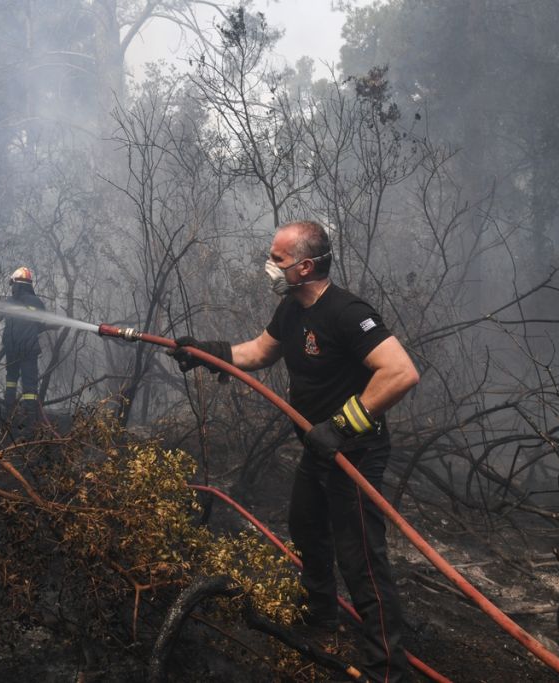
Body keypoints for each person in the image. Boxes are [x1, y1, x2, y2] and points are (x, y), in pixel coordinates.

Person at [171, 220, 419, 682]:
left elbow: (401, 372)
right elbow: (260, 352)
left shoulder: (348, 313)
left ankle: (387, 668)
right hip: (319, 448)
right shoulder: (291, 309)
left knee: (361, 558)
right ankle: (321, 616)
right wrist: (209, 352)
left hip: (355, 451)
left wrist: (341, 425)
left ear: (305, 267)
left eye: (277, 259)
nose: (269, 266)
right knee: (306, 526)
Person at [0, 266, 46, 417]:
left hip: (12, 348)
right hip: (29, 349)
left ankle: (9, 409)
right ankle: (29, 413)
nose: (12, 288)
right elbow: (42, 323)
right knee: (30, 382)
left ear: (17, 284)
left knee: (11, 379)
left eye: (13, 285)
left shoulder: (9, 302)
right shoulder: (37, 302)